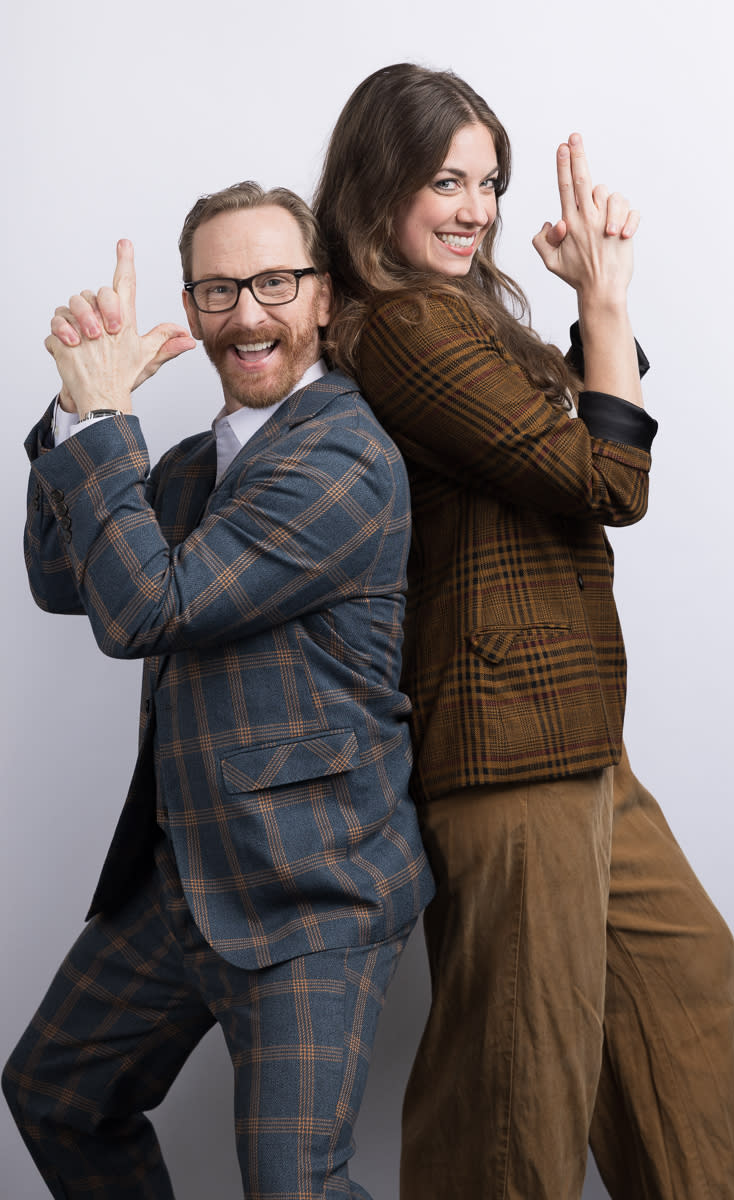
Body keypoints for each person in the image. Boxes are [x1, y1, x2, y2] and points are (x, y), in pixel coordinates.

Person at [313, 63, 734, 1200]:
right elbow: (602, 476)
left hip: (574, 734)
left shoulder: (459, 317)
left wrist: (586, 313)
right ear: (377, 187)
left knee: (687, 994)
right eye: (444, 179)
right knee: (517, 1085)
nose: (474, 208)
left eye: (488, 181)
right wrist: (608, 304)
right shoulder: (401, 325)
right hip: (505, 745)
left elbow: (552, 435)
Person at [2, 182, 434, 1200]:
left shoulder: (343, 454)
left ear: (323, 296)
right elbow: (68, 579)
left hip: (310, 891)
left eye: (274, 282)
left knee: (293, 1187)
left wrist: (109, 416)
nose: (246, 315)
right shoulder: (196, 464)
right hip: (187, 875)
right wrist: (75, 410)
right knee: (57, 1091)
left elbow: (150, 607)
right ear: (190, 307)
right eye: (217, 289)